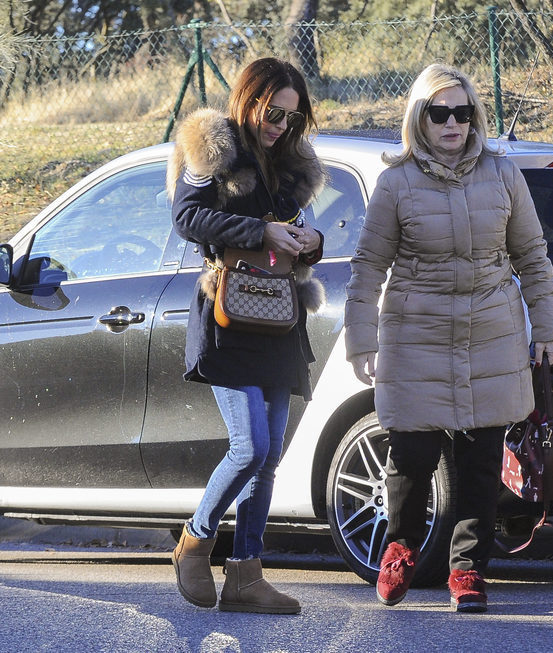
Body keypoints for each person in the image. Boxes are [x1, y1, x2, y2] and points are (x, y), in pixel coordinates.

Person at [344, 63, 553, 613]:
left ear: (474, 117)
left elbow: (532, 256)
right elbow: (368, 266)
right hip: (415, 332)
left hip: (492, 331)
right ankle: (400, 543)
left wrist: (548, 327)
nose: (452, 123)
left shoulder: (503, 173)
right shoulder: (396, 182)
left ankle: (468, 572)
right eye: (439, 113)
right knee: (412, 454)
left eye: (462, 113)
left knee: (481, 461)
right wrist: (360, 339)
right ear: (419, 117)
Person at [166, 57, 326, 614]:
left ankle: (246, 575)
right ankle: (194, 540)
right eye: (272, 111)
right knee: (250, 446)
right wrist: (261, 229)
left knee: (270, 457)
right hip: (229, 315)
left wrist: (308, 239)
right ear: (248, 98)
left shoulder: (291, 165)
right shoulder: (212, 148)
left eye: (291, 117)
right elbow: (187, 218)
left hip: (279, 317)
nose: (280, 125)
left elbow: (293, 236)